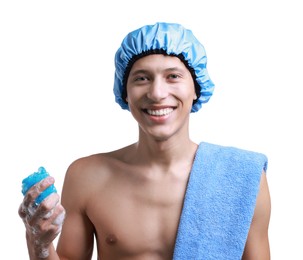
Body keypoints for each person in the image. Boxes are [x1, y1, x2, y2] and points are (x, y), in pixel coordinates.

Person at [19, 22, 271, 260]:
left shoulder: (241, 176)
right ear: (124, 92)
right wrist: (38, 243)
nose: (157, 93)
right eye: (142, 78)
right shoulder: (87, 176)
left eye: (173, 76)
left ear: (196, 88)